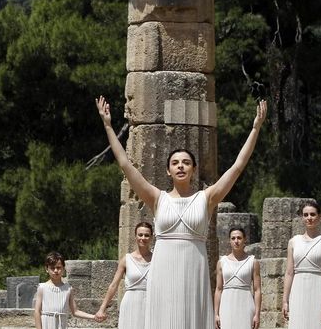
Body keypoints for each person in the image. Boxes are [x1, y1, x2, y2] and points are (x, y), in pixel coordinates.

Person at [96, 96, 267, 329]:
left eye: (186, 162)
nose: (180, 166)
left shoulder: (206, 198)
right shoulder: (157, 198)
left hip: (193, 269)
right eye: (175, 162)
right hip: (163, 269)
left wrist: (255, 128)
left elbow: (237, 167)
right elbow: (126, 164)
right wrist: (108, 126)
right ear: (168, 170)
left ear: (194, 169)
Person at [282, 200, 321, 329]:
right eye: (305, 215)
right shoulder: (293, 242)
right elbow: (289, 273)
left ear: (319, 216)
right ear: (302, 217)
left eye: (312, 214)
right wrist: (285, 300)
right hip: (298, 288)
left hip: (319, 288)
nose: (309, 218)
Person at [95, 222, 153, 327]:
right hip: (130, 302)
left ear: (151, 237)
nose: (143, 238)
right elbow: (114, 285)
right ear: (135, 236)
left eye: (146, 235)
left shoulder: (157, 259)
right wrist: (102, 308)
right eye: (140, 234)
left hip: (151, 302)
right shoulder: (126, 260)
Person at [214, 227, 262, 329]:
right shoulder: (222, 262)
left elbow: (257, 290)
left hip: (246, 304)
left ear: (245, 240)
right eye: (233, 238)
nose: (236, 241)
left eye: (239, 238)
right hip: (226, 305)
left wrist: (257, 314)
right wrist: (216, 314)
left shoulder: (253, 262)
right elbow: (218, 289)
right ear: (229, 240)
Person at [34, 252, 97, 329]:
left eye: (58, 267)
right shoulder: (42, 287)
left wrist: (94, 317)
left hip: (61, 325)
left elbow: (75, 311)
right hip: (46, 324)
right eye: (52, 268)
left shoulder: (68, 289)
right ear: (47, 269)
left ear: (63, 268)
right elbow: (37, 312)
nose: (56, 270)